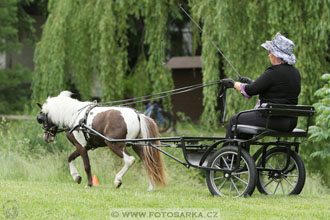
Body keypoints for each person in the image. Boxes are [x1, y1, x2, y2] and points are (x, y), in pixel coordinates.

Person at [222, 32, 301, 139]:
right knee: (245, 121)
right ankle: (241, 155)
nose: (269, 54)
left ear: (276, 55)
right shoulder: (295, 73)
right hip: (290, 121)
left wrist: (233, 84)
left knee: (234, 119)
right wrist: (249, 81)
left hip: (273, 120)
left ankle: (229, 155)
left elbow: (250, 91)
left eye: (270, 52)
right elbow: (272, 87)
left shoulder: (273, 72)